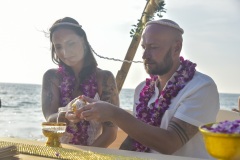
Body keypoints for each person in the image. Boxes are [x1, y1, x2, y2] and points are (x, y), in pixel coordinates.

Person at [69, 19, 220, 159]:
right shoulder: (142, 89)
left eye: (153, 47)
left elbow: (170, 144)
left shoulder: (201, 87)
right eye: (144, 47)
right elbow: (135, 138)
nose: (145, 55)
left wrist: (113, 113)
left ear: (177, 48)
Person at [41, 17, 119, 147]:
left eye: (71, 43)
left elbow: (110, 132)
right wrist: (65, 115)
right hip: (57, 151)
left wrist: (85, 157)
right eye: (58, 46)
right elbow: (49, 119)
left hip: (93, 153)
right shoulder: (51, 77)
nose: (65, 52)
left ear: (83, 40)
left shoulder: (105, 78)